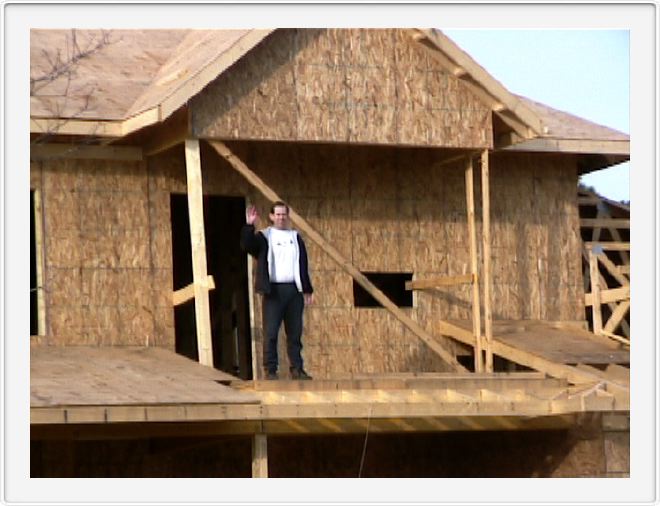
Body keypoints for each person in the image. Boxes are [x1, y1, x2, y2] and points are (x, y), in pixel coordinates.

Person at [240, 201, 314, 380]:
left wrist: (307, 289)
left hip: (293, 290)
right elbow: (247, 246)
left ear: (287, 217)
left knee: (295, 333)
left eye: (284, 215)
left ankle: (297, 369)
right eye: (278, 215)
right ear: (272, 217)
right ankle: (270, 370)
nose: (281, 218)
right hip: (273, 290)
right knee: (271, 332)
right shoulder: (265, 236)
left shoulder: (295, 238)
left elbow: (302, 264)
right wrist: (249, 225)